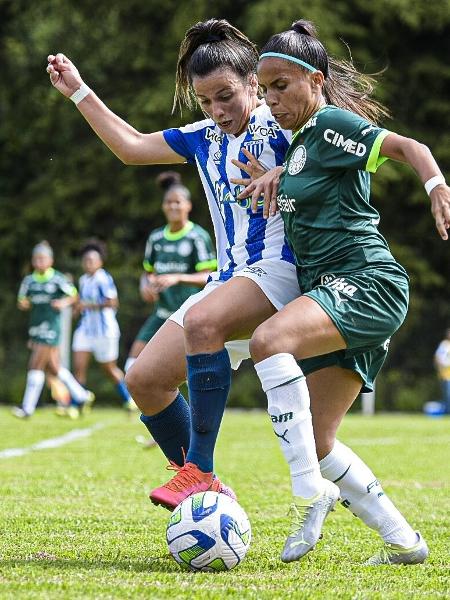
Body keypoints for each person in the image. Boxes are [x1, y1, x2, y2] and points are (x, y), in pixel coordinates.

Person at [46, 19, 300, 506]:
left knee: (202, 319)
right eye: (206, 101)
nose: (218, 110)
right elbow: (132, 147)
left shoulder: (285, 123)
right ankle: (209, 495)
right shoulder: (202, 137)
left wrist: (287, 170)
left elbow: (338, 153)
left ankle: (199, 471)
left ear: (253, 82)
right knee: (144, 379)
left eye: (226, 95)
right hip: (228, 282)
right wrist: (79, 92)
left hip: (278, 273)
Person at [236, 20, 449, 565]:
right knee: (319, 439)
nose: (271, 98)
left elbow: (409, 146)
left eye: (282, 85)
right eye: (265, 89)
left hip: (364, 282)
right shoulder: (304, 144)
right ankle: (404, 541)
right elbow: (316, 178)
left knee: (268, 341)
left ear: (316, 80)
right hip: (335, 293)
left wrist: (436, 186)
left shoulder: (330, 123)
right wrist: (275, 176)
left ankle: (310, 492)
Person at [124, 171, 216, 375]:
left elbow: (209, 277)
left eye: (178, 202)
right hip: (161, 312)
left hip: (187, 314)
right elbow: (147, 273)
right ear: (163, 206)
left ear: (188, 206)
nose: (173, 206)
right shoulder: (156, 238)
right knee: (133, 361)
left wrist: (177, 278)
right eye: (168, 202)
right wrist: (145, 286)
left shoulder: (197, 237)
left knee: (181, 370)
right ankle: (135, 405)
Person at [13, 241, 95, 418]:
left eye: (43, 259)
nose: (39, 262)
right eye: (36, 259)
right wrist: (23, 304)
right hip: (35, 327)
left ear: (50, 260)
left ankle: (27, 408)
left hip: (51, 328)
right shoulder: (29, 281)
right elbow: (22, 300)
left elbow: (74, 296)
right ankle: (81, 395)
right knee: (54, 368)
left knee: (35, 364)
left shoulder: (57, 278)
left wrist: (63, 303)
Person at [72, 239, 135, 413]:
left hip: (105, 331)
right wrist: (77, 307)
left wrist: (88, 305)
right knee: (78, 367)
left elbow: (113, 302)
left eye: (92, 260)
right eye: (86, 260)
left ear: (100, 262)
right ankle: (76, 404)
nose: (88, 263)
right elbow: (81, 302)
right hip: (85, 329)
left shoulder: (103, 278)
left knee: (109, 369)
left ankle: (128, 399)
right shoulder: (83, 279)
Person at [434, 328, 450, 414]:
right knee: (448, 396)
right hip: (446, 376)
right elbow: (439, 358)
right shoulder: (445, 345)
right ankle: (447, 413)